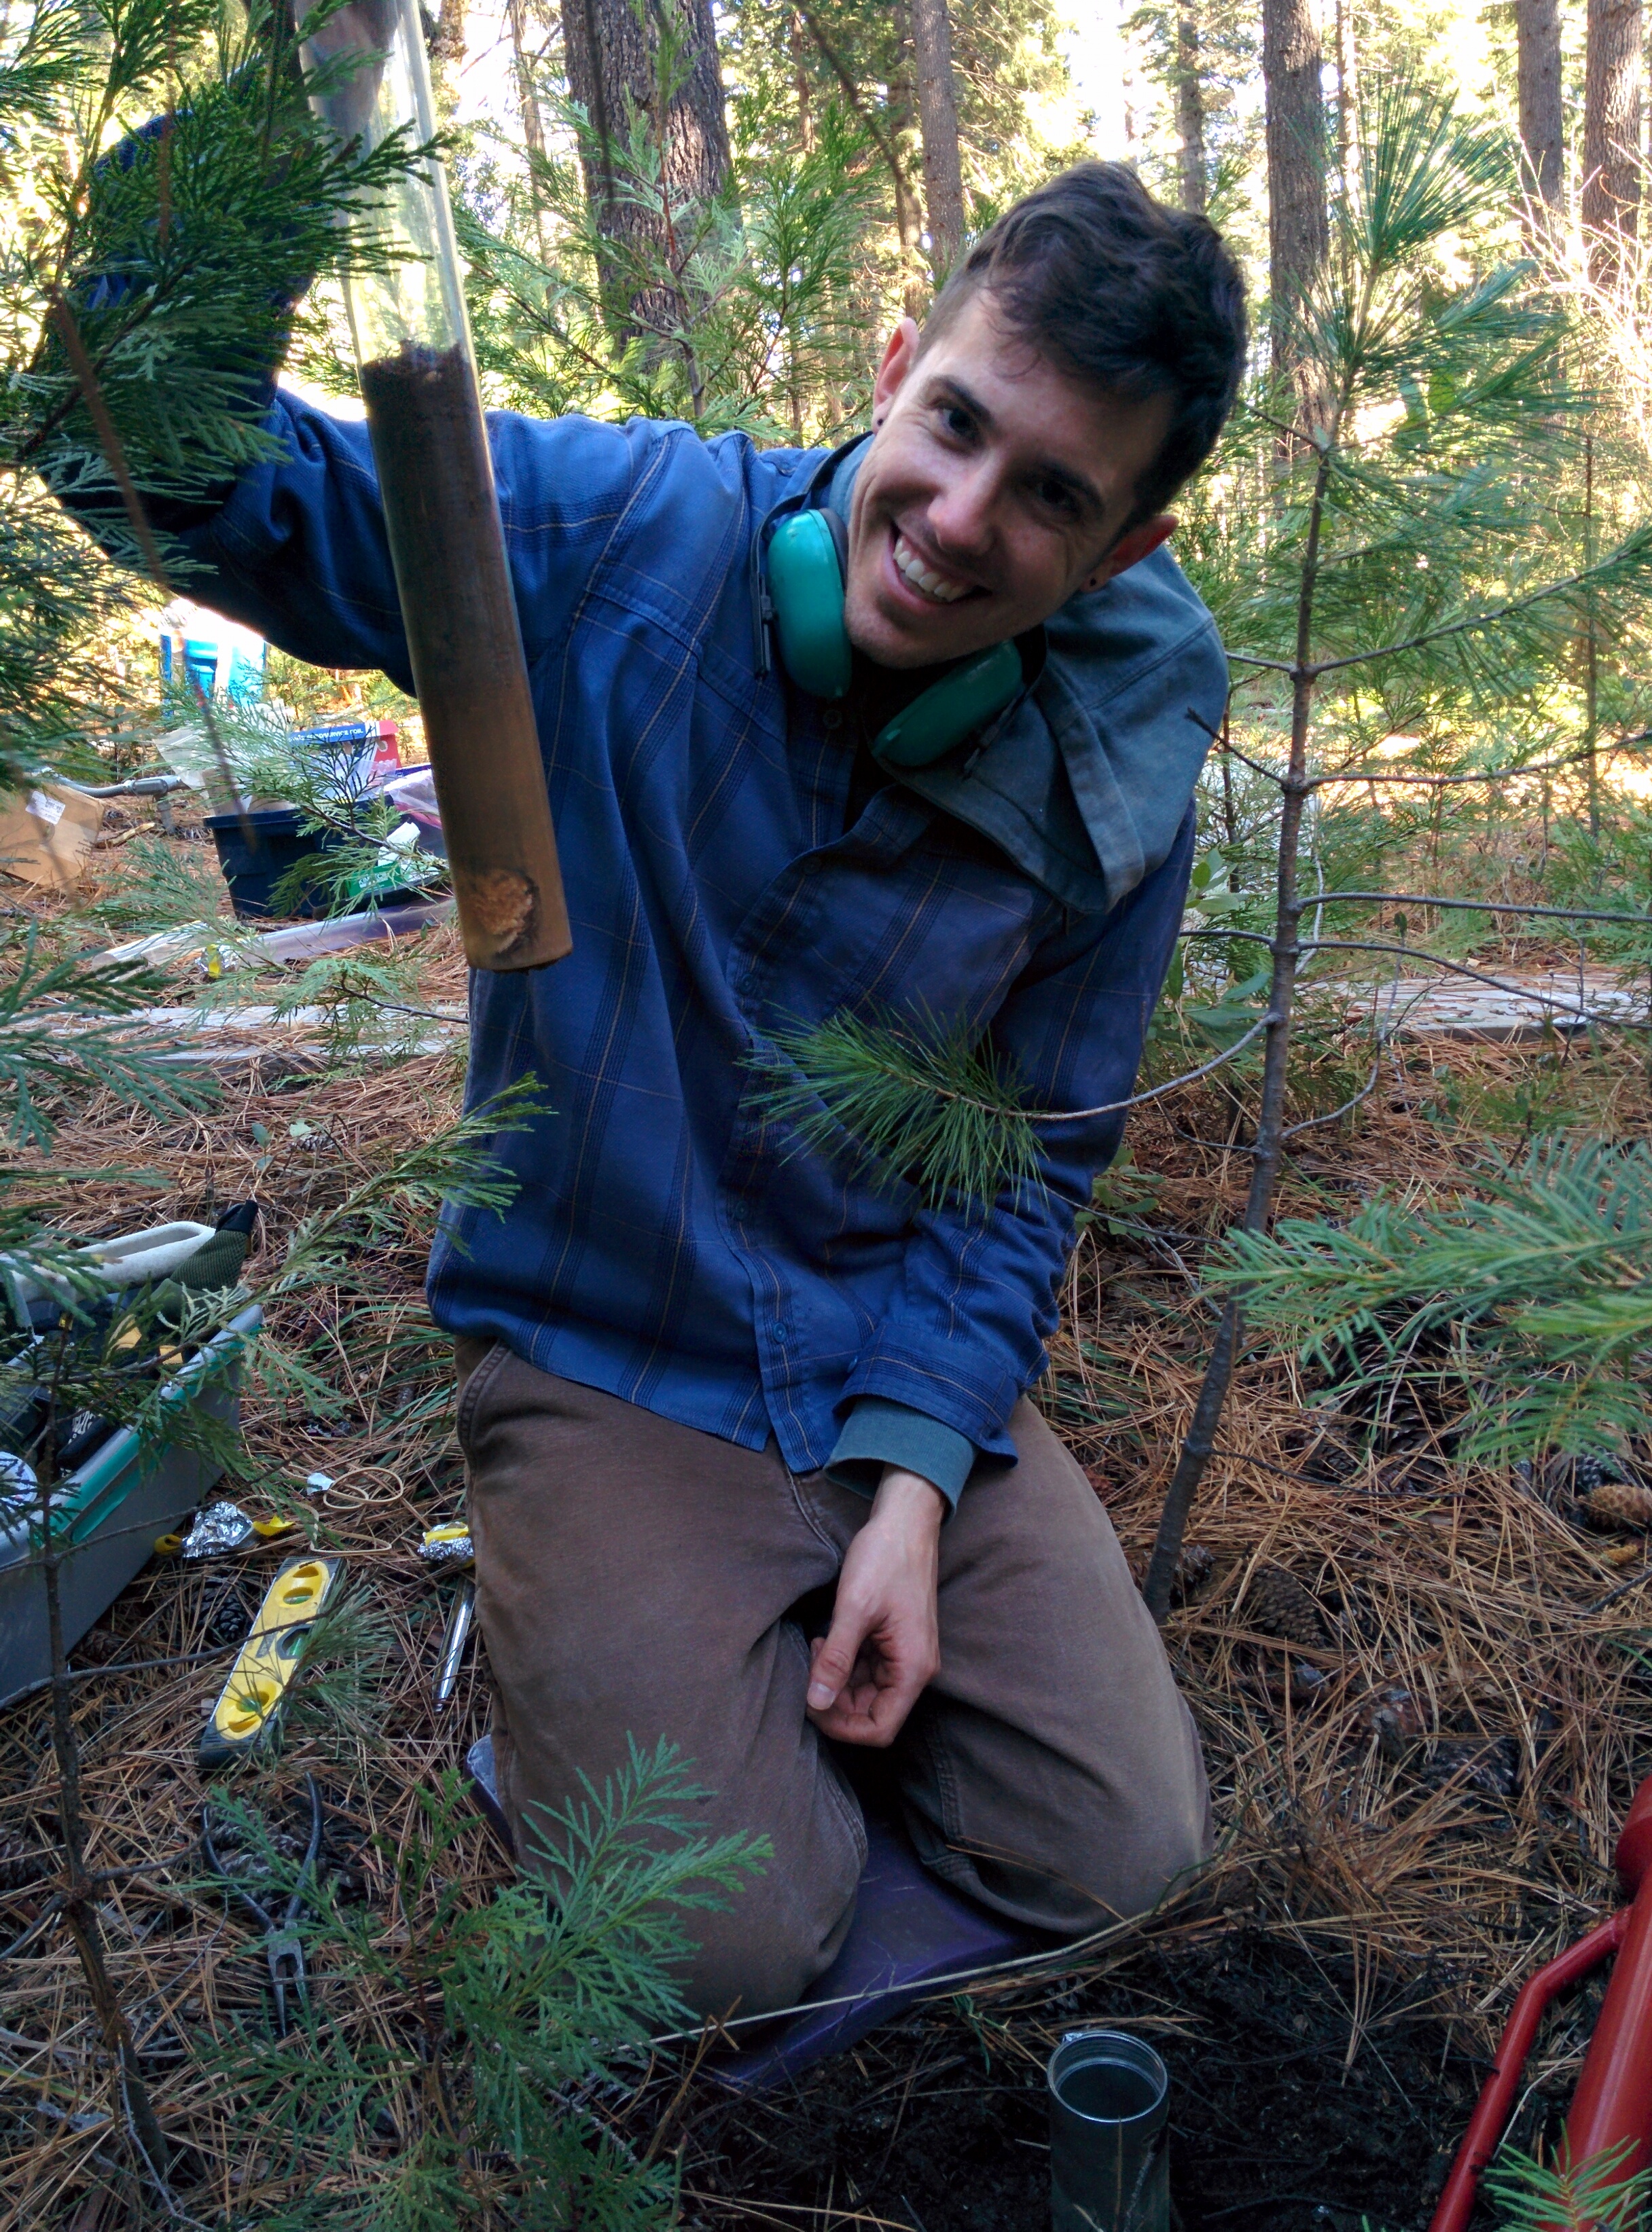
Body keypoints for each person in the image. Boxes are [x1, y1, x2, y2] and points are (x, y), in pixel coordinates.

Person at [84, 160, 1247, 2017]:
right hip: (604, 1354)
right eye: (952, 426)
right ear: (892, 368)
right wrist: (272, 143)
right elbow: (183, 471)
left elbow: (1031, 1167)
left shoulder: (1114, 775)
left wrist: (920, 1491)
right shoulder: (612, 536)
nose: (957, 519)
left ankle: (718, 1724)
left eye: (1050, 497)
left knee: (1125, 1858)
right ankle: (632, 1725)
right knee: (718, 1947)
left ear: (1122, 551)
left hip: (888, 1358)